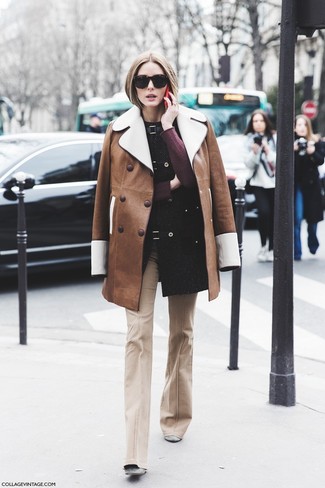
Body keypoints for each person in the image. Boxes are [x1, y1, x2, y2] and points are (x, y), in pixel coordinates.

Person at [91, 51, 240, 477]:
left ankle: (175, 415)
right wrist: (100, 250)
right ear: (132, 87)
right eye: (142, 81)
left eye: (157, 80)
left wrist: (172, 130)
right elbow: (104, 196)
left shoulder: (195, 126)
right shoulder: (118, 132)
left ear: (168, 82)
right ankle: (134, 447)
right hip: (137, 247)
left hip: (187, 241)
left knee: (183, 333)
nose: (150, 88)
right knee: (137, 339)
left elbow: (207, 185)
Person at [244, 109, 277, 262]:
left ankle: (271, 248)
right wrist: (255, 152)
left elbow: (277, 162)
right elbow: (248, 164)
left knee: (273, 216)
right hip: (258, 184)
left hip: (274, 184)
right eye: (255, 121)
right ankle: (263, 245)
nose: (258, 124)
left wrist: (268, 150)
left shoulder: (274, 138)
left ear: (266, 122)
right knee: (263, 213)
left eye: (261, 120)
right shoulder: (248, 140)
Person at [293, 114, 324, 261]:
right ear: (294, 127)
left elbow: (320, 160)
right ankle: (296, 252)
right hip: (297, 185)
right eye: (299, 125)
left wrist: (312, 152)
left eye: (304, 125)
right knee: (296, 218)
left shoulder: (316, 142)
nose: (301, 127)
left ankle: (313, 242)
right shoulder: (290, 143)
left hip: (312, 186)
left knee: (312, 220)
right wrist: (293, 151)